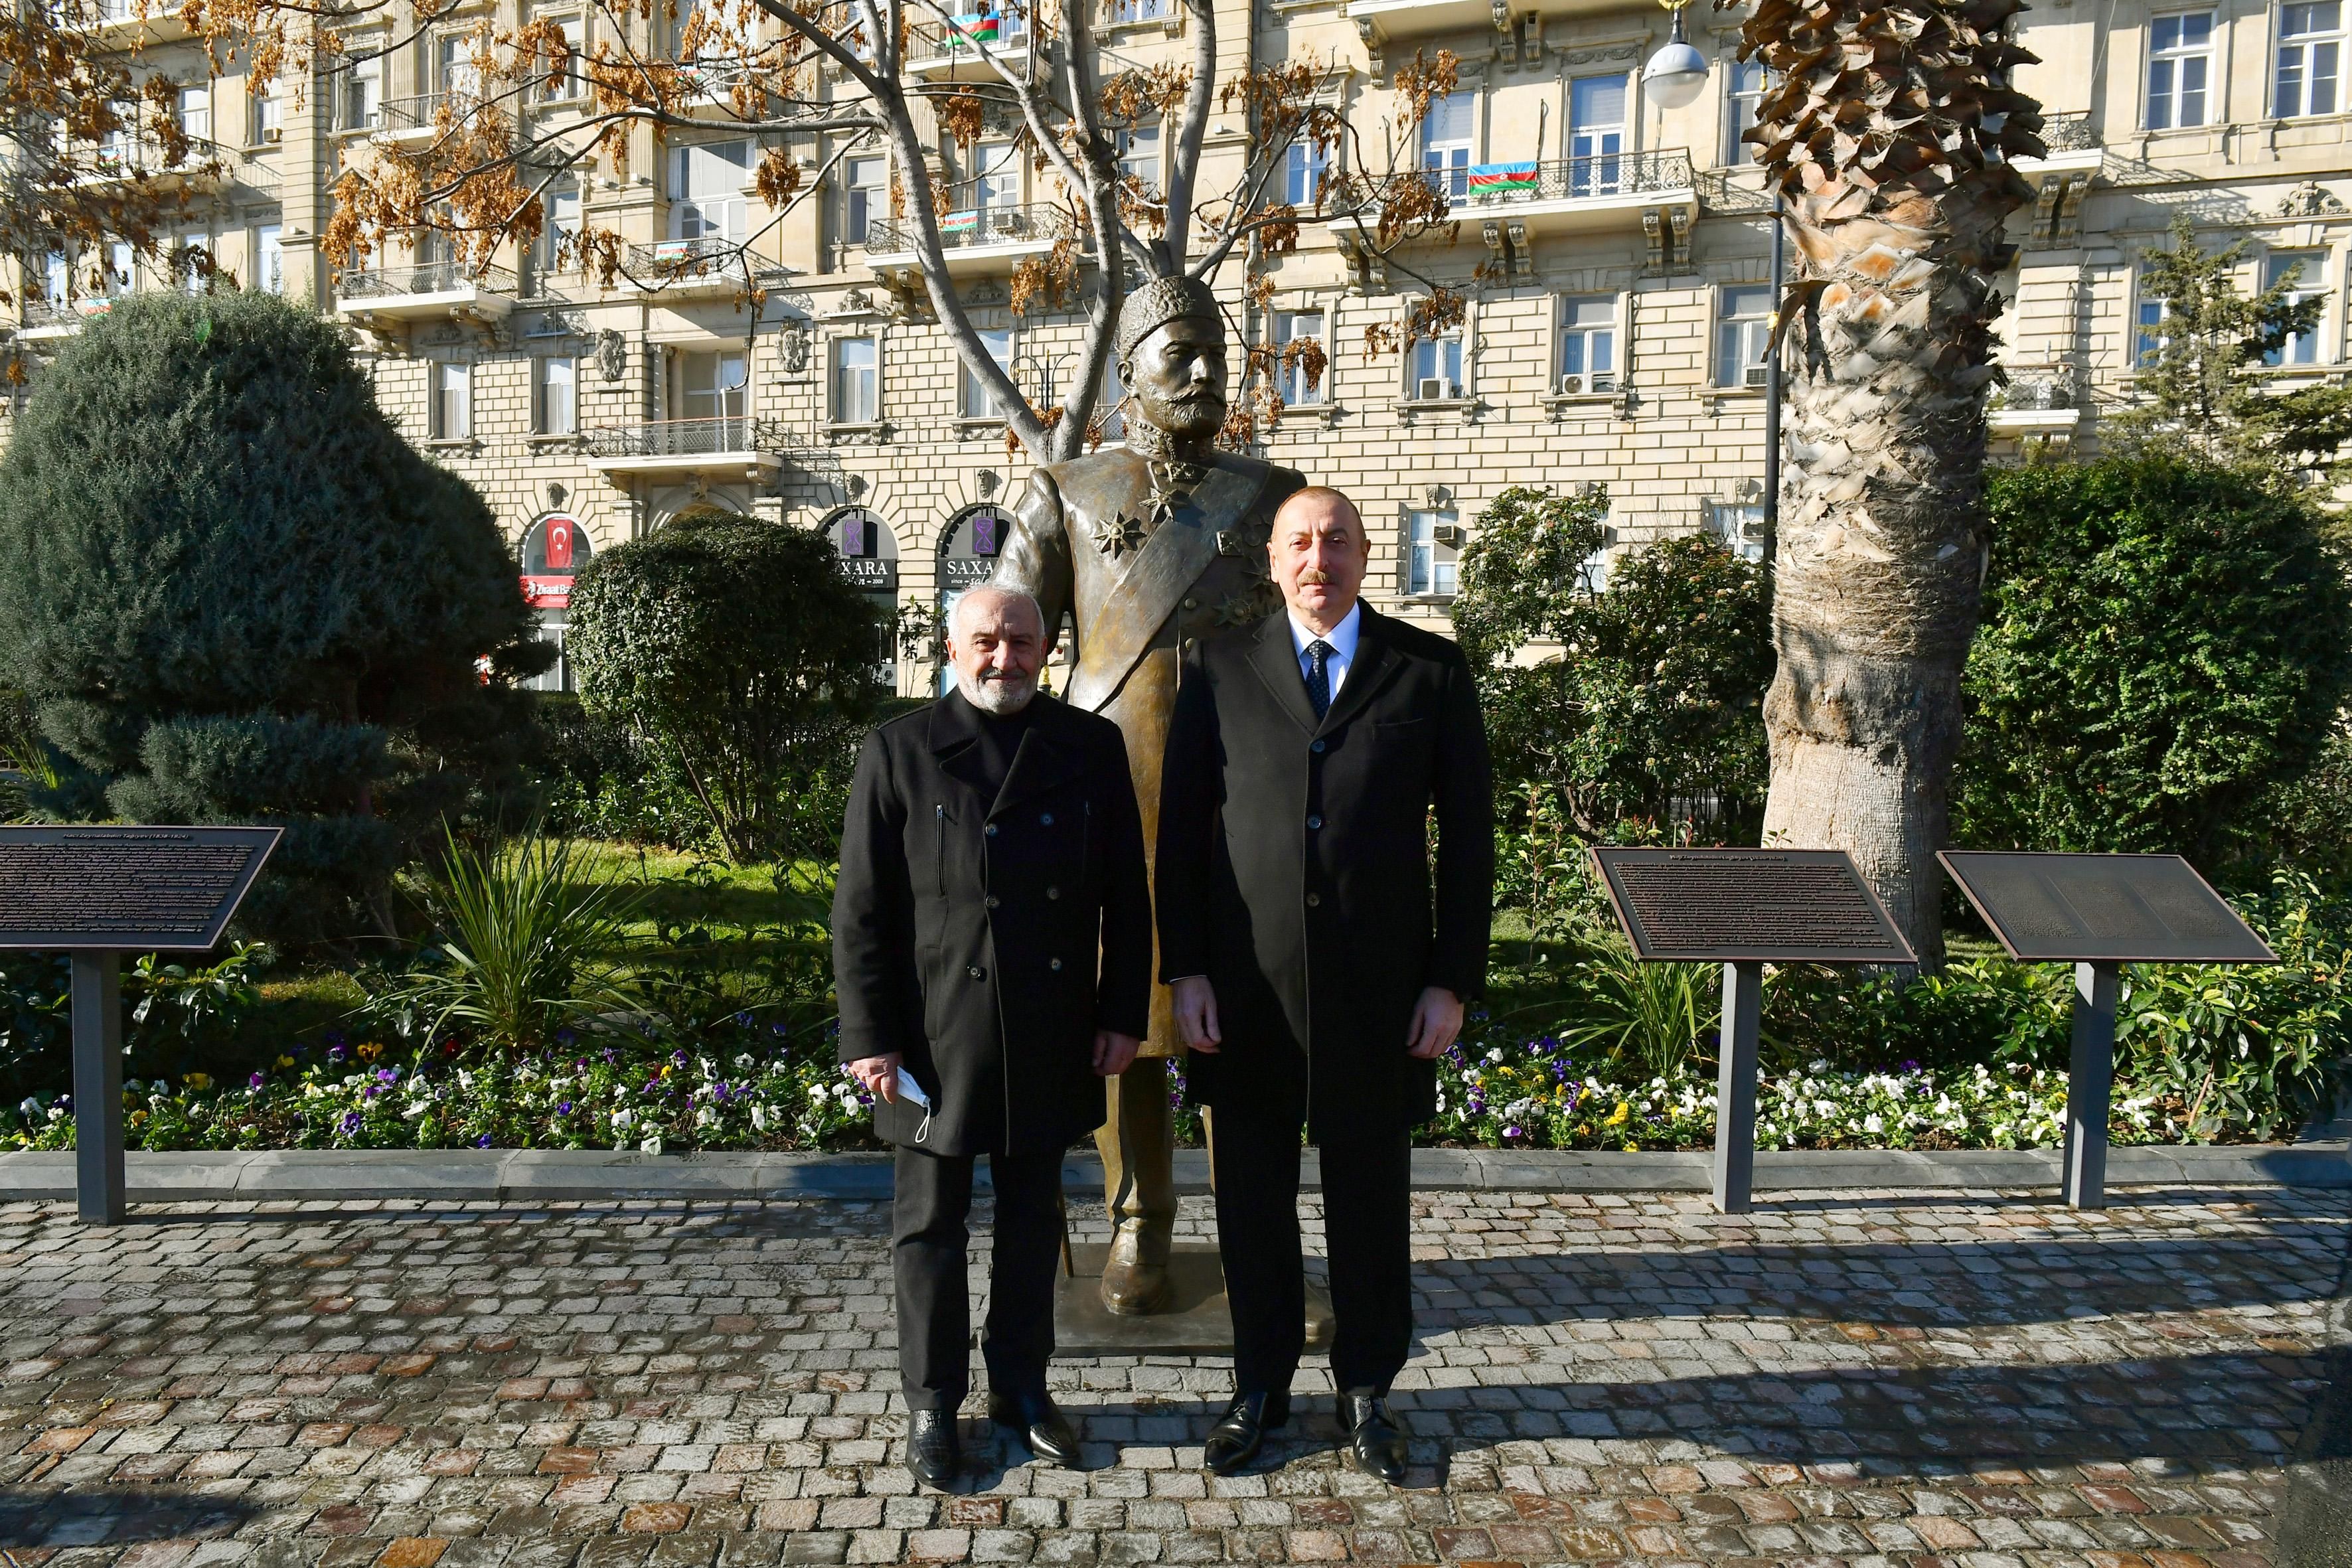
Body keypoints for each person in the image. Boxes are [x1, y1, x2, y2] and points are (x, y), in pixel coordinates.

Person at [1154, 487, 1495, 1482]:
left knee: (1369, 1200)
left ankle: (1367, 1390)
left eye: (1337, 540)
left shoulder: (1428, 672)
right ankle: (1257, 1385)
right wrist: (1185, 969)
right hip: (1247, 991)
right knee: (1251, 1199)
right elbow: (1181, 836)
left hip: (1378, 994)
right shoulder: (1216, 670)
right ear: (1272, 560)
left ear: (1364, 553)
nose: (1319, 558)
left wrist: (1451, 980)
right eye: (1300, 542)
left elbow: (1469, 842)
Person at [990, 274, 1306, 1315]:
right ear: (1129, 374)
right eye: (1182, 354)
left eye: (1218, 351)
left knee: (1242, 1013)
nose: (1208, 371)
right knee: (1125, 1014)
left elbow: (1297, 655)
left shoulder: (1267, 496)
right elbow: (1013, 645)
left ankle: (1259, 1229)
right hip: (1105, 784)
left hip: (1233, 797)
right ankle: (1141, 1222)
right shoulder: (1065, 490)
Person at [832, 586, 1152, 1489]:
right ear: (951, 644)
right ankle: (933, 1402)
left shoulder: (1089, 747)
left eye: (1020, 640)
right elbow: (860, 909)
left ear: (1046, 647)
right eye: (986, 640)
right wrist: (870, 1033)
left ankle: (1019, 1389)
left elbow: (1126, 896)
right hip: (933, 1035)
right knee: (927, 1227)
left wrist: (1122, 1011)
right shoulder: (898, 749)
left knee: (1031, 1220)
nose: (1003, 656)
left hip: (1048, 1024)